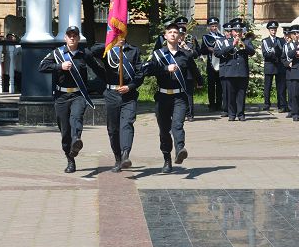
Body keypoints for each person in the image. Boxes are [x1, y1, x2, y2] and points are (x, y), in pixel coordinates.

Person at [38, 25, 100, 173]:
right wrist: (59, 66)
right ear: (65, 38)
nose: (72, 38)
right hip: (61, 96)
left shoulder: (85, 54)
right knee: (65, 130)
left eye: (75, 35)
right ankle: (70, 159)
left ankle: (77, 139)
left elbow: (98, 69)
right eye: (69, 35)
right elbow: (42, 67)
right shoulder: (57, 53)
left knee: (76, 117)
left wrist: (112, 83)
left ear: (78, 38)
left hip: (78, 94)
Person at [146, 21, 193, 173]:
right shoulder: (158, 54)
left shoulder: (185, 54)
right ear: (165, 36)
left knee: (178, 124)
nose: (173, 34)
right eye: (170, 32)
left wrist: (199, 82)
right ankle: (167, 159)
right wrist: (166, 68)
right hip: (163, 97)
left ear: (179, 36)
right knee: (164, 130)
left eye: (175, 32)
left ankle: (180, 149)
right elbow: (149, 71)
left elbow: (193, 70)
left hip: (179, 96)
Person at [91, 38, 144, 172]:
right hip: (112, 94)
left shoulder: (134, 51)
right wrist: (111, 44)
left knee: (127, 123)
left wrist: (130, 86)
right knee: (113, 129)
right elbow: (91, 51)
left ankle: (126, 154)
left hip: (128, 94)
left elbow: (140, 74)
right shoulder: (108, 50)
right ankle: (118, 158)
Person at [216, 20, 255, 121]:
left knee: (241, 95)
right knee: (231, 95)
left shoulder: (246, 41)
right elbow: (220, 53)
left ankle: (241, 114)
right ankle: (232, 114)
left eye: (239, 31)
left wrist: (244, 45)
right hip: (230, 72)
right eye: (235, 31)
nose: (237, 33)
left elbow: (252, 52)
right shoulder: (227, 42)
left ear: (242, 32)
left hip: (242, 72)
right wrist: (233, 45)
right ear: (232, 32)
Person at [200, 17, 226, 113]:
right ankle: (211, 104)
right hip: (211, 63)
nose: (214, 28)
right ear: (209, 27)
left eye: (215, 26)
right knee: (211, 85)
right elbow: (202, 50)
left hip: (220, 63)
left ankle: (219, 104)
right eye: (212, 26)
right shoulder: (206, 37)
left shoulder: (222, 36)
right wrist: (208, 49)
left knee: (220, 85)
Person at [261, 21, 287, 112]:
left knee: (280, 87)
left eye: (275, 29)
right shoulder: (265, 41)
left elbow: (283, 52)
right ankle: (266, 104)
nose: (274, 31)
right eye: (272, 30)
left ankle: (281, 104)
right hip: (270, 66)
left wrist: (275, 52)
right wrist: (275, 53)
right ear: (269, 30)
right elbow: (265, 54)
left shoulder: (281, 40)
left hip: (279, 66)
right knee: (267, 86)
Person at [284, 27, 299, 122]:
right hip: (296, 72)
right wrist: (298, 46)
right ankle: (295, 113)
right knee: (295, 94)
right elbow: (289, 55)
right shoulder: (292, 45)